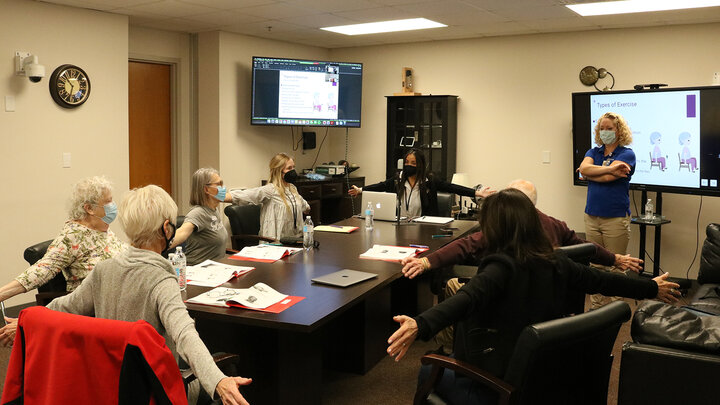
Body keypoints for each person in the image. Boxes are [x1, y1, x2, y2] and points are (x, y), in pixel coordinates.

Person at [387, 189, 680, 404]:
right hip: (547, 378)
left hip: (499, 385)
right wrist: (651, 287)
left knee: (429, 368)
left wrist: (420, 324)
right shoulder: (558, 262)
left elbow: (465, 298)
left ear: (495, 227)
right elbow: (604, 280)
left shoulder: (500, 266)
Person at [2, 185, 252, 405]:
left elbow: (64, 307)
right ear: (166, 228)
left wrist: (28, 320)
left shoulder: (103, 270)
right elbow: (185, 335)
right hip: (153, 391)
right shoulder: (161, 280)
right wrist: (219, 381)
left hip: (106, 387)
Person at [400, 179, 643, 352]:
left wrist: (420, 320)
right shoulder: (556, 249)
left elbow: (466, 291)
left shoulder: (500, 267)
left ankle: (455, 350)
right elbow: (597, 270)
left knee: (454, 285)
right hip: (549, 328)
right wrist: (641, 279)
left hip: (502, 337)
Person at [0, 176, 126, 305]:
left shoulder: (103, 228)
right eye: (108, 202)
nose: (113, 206)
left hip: (118, 296)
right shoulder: (73, 235)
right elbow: (42, 269)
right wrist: (2, 294)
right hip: (93, 305)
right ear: (89, 208)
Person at [578, 112, 636, 309]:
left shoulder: (627, 154)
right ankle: (595, 308)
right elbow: (583, 168)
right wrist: (610, 168)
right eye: (602, 128)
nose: (605, 132)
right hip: (592, 216)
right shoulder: (593, 152)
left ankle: (615, 309)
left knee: (617, 266)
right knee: (595, 265)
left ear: (619, 131)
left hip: (615, 218)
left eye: (609, 128)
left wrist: (592, 173)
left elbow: (605, 178)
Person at [348, 149, 493, 218]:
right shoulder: (398, 179)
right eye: (406, 162)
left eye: (413, 163)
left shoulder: (430, 180)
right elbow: (381, 186)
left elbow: (452, 187)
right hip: (401, 224)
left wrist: (477, 193)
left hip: (424, 225)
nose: (408, 165)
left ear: (420, 165)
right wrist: (361, 190)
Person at [228, 153, 310, 241]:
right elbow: (244, 195)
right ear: (279, 171)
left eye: (294, 167)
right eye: (289, 168)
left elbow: (305, 206)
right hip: (274, 244)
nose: (293, 171)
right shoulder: (270, 190)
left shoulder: (292, 188)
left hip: (294, 242)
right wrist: (217, 195)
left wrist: (306, 210)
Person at [170, 168, 228, 265]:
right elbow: (182, 233)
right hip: (196, 270)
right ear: (206, 189)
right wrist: (155, 247)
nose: (223, 187)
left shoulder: (214, 210)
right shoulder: (198, 213)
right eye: (219, 184)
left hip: (215, 269)